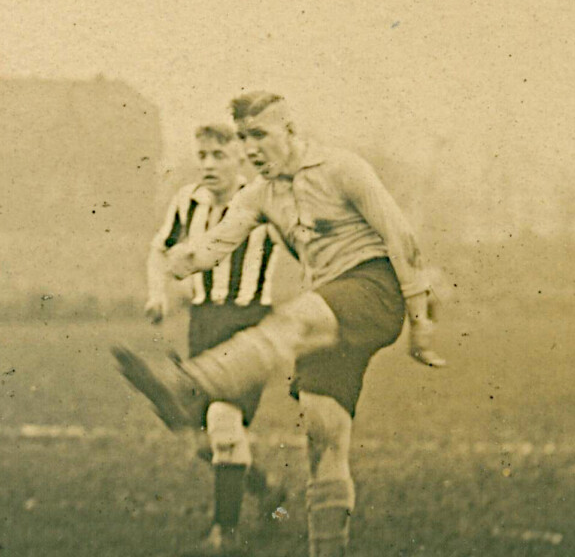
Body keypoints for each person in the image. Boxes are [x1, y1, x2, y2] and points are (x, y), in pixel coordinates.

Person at [113, 93, 444, 557]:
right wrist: (179, 262)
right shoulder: (259, 193)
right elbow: (214, 245)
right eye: (244, 138)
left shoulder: (342, 168)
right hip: (327, 307)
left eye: (259, 136)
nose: (250, 149)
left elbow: (399, 235)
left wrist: (420, 319)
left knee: (296, 317)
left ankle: (191, 386)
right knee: (324, 436)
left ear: (290, 130)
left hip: (372, 290)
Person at [144, 123, 284, 556]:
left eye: (218, 155)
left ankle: (223, 534)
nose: (207, 164)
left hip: (249, 325)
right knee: (211, 439)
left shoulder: (267, 200)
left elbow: (303, 245)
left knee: (223, 423)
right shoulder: (188, 201)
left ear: (241, 158)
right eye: (201, 155)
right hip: (202, 325)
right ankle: (266, 487)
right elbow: (160, 248)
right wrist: (158, 293)